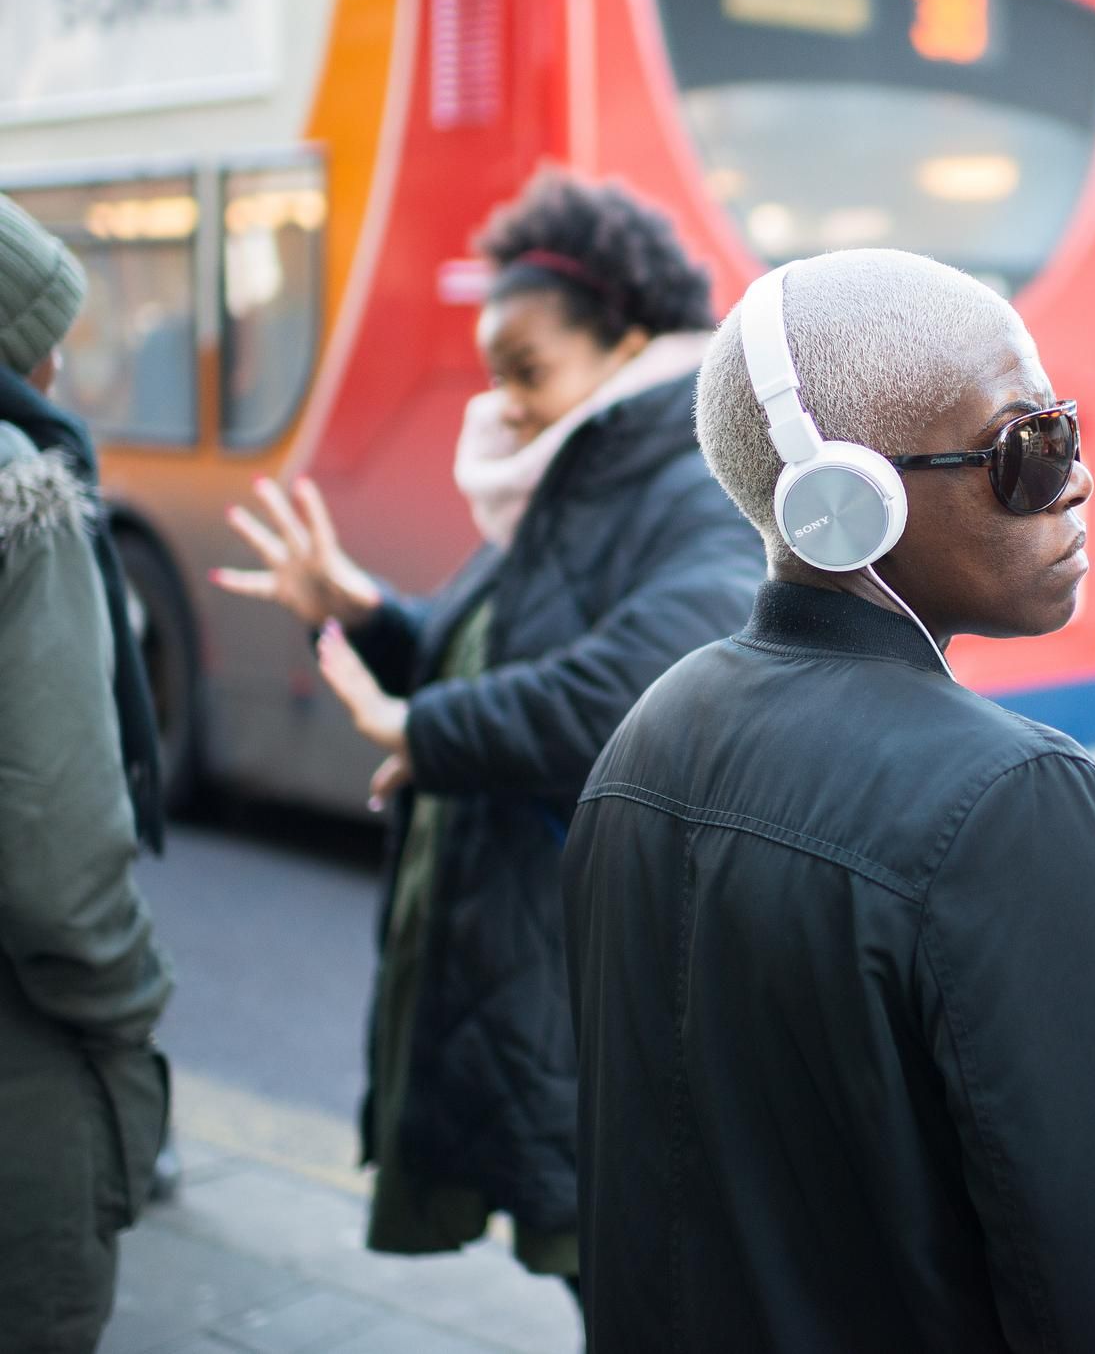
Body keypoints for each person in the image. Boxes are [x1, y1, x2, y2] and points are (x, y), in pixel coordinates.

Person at [565, 249, 1095, 1351]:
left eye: (1068, 431)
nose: (1076, 479)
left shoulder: (645, 734)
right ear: (848, 503)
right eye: (1027, 447)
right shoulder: (1010, 803)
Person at [215, 171, 761, 1303]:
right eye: (493, 373)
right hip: (544, 959)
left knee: (642, 1281)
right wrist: (365, 612)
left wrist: (427, 728)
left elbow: (638, 683)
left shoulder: (689, 483)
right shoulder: (571, 472)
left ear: (627, 345)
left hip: (616, 975)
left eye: (527, 369)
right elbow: (498, 650)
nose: (504, 403)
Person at [0, 192, 174, 1353]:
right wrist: (130, 1007)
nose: (62, 364)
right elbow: (55, 857)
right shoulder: (23, 494)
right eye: (45, 335)